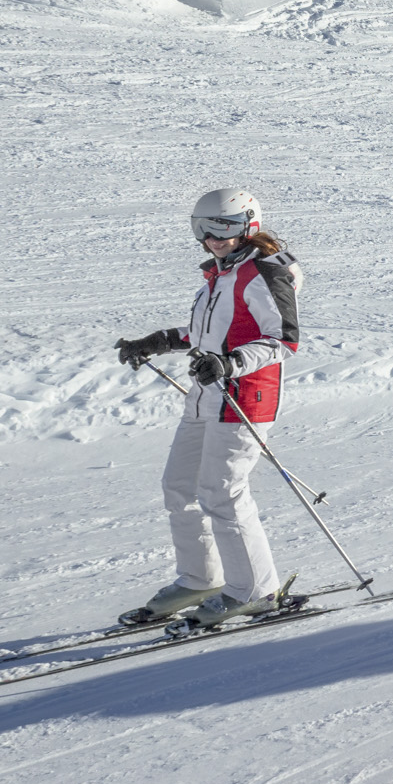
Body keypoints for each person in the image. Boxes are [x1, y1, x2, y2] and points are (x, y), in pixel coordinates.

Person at [113, 189, 302, 629]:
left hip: (245, 397)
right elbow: (208, 333)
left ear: (248, 226)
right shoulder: (221, 274)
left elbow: (284, 340)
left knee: (222, 492)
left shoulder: (264, 273)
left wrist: (231, 361)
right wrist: (157, 341)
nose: (213, 238)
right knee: (179, 488)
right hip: (205, 395)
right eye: (204, 228)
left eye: (224, 228)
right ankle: (201, 580)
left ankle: (255, 591)